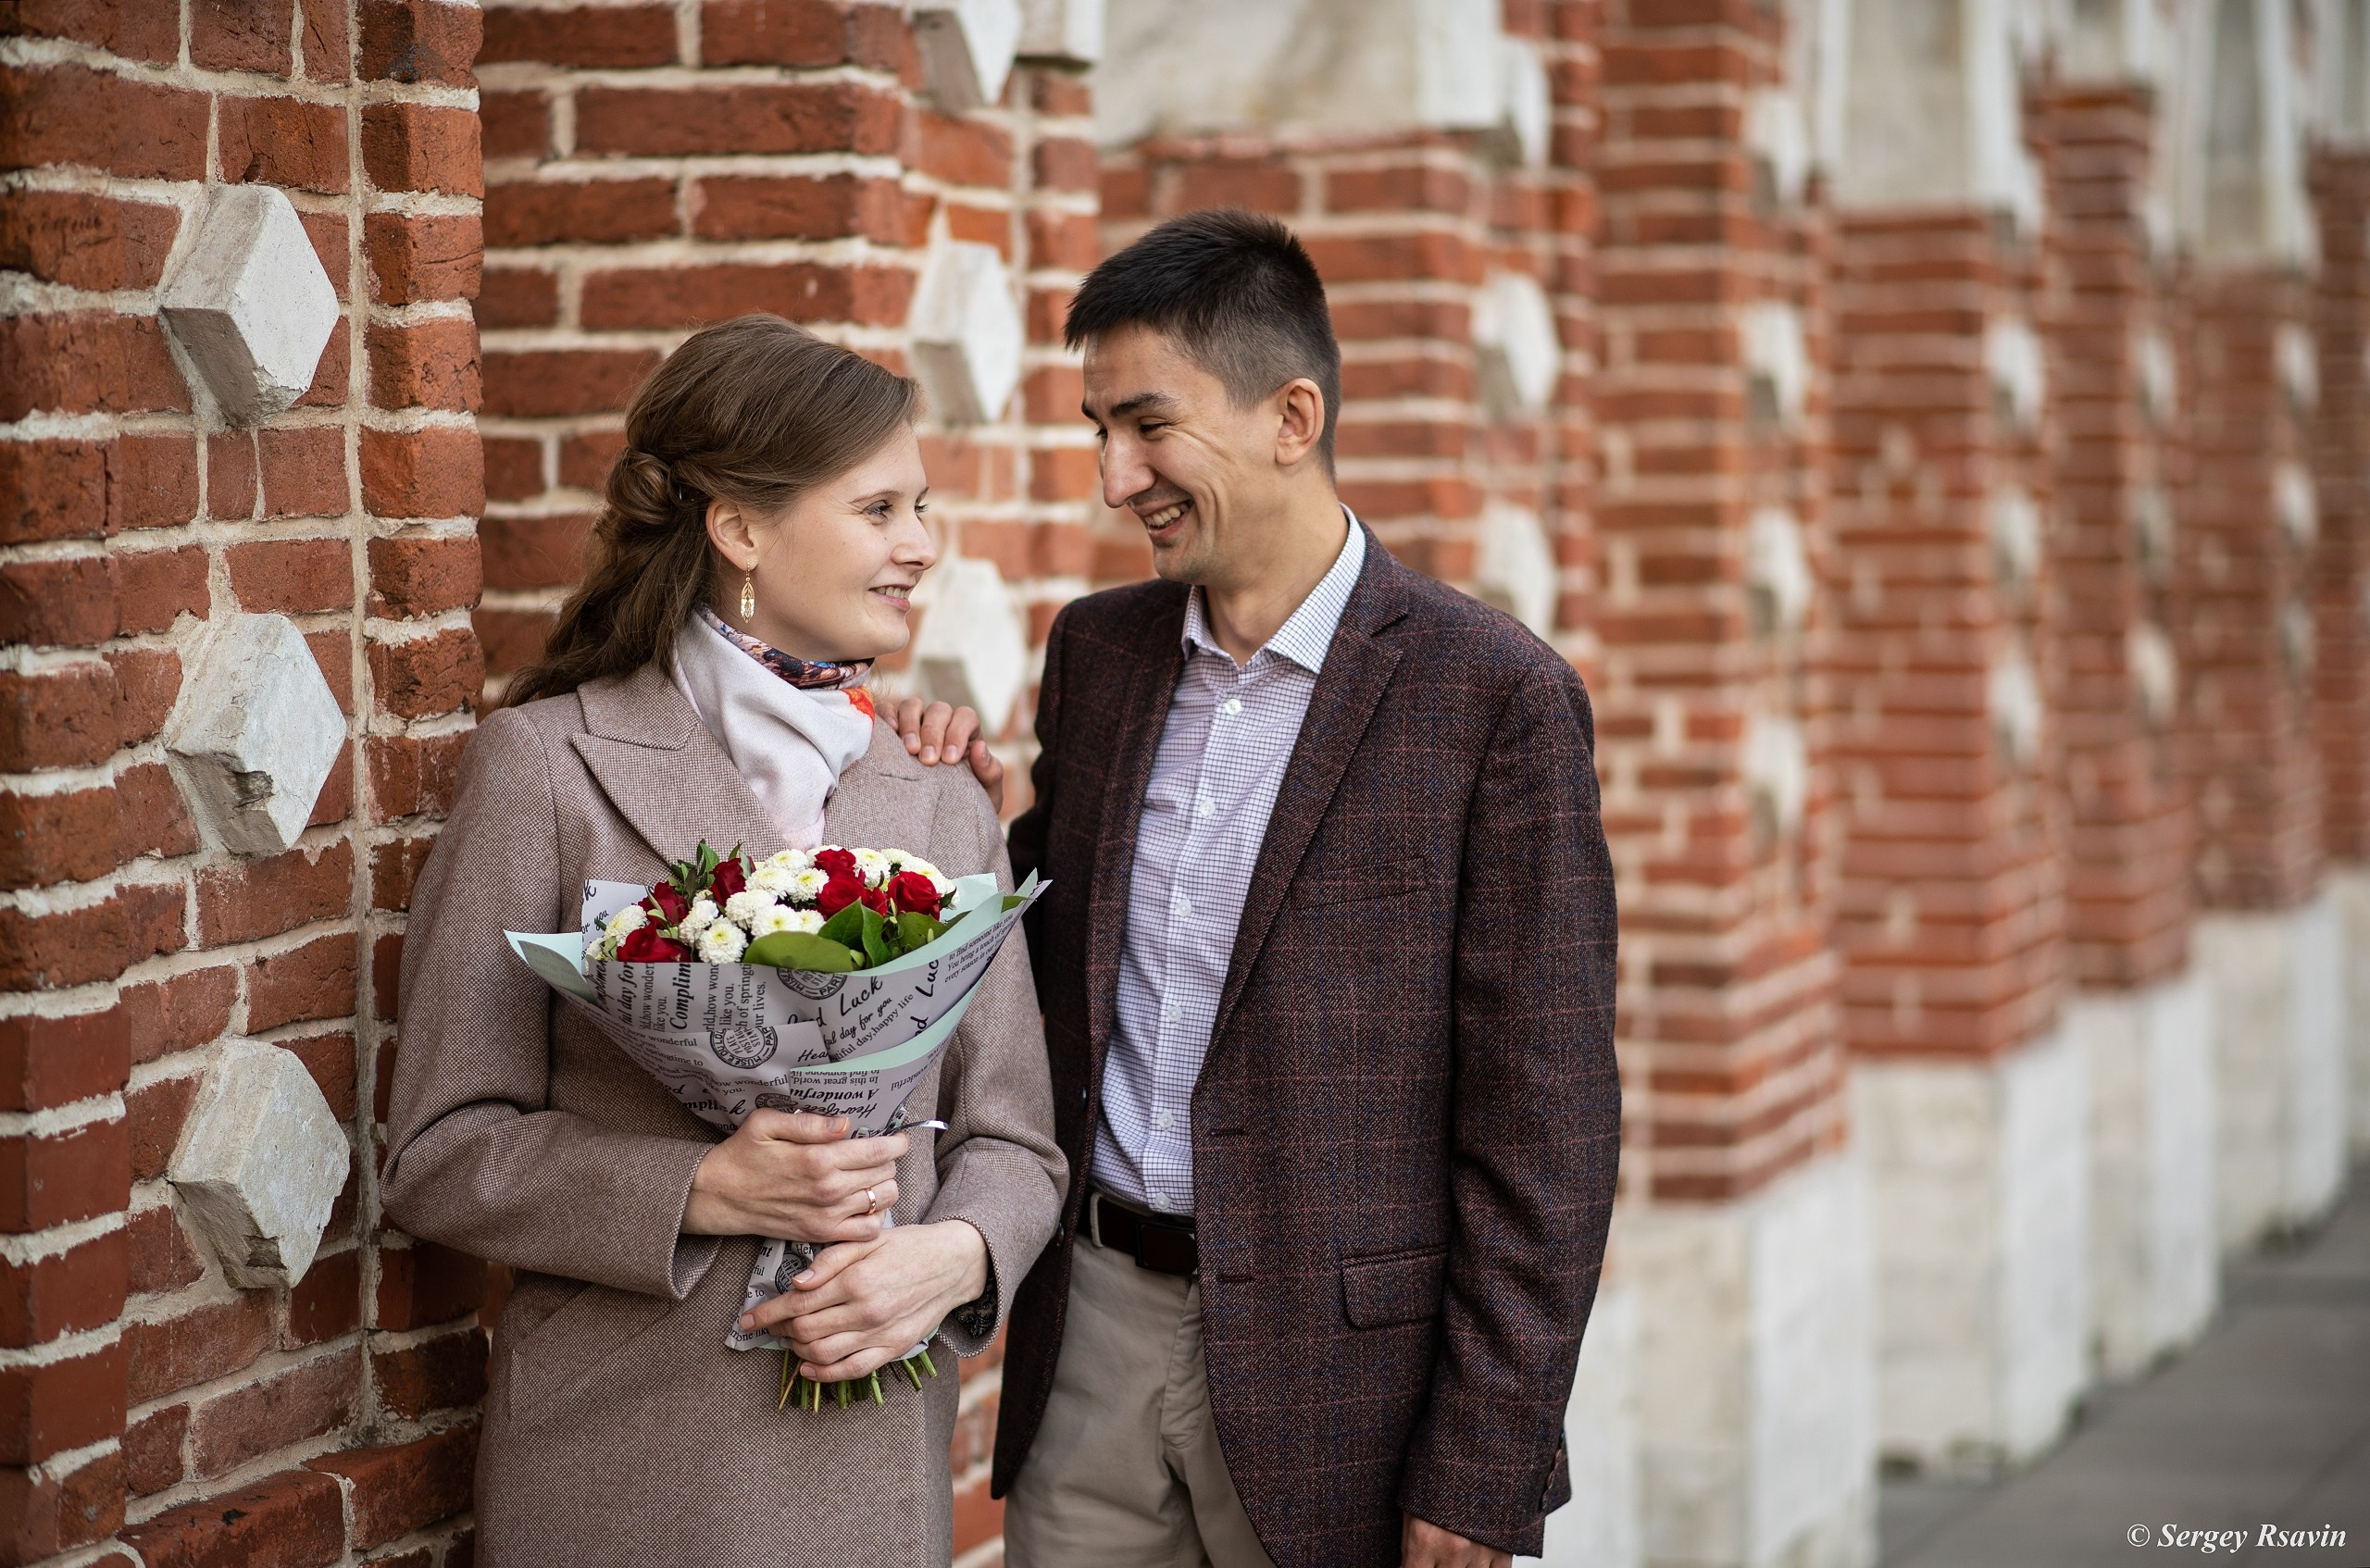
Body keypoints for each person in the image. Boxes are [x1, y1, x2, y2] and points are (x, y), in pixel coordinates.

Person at [903, 209, 1621, 1567]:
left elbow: (1551, 1127)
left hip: (1349, 1382)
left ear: (1293, 416)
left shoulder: (1497, 697)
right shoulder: (1099, 656)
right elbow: (1052, 953)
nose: (1117, 477)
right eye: (1097, 428)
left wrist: (1485, 1463)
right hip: (1095, 1336)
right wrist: (949, 808)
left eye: (1148, 427)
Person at [382, 315, 1066, 1568]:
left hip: (869, 1473)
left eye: (922, 507)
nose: (920, 545)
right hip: (623, 1466)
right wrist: (700, 1189)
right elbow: (437, 1149)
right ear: (741, 529)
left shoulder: (941, 792)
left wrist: (955, 1256)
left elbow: (1015, 1138)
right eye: (879, 509)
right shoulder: (547, 766)